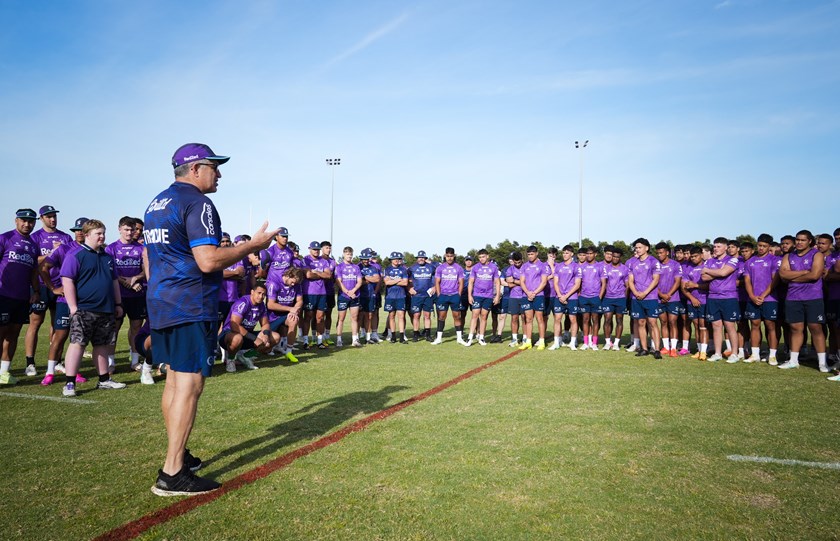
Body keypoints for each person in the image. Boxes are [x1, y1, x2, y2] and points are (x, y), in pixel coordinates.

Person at [144, 143, 277, 496]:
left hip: (162, 300)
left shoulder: (156, 203)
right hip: (189, 302)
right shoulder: (198, 202)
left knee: (174, 380)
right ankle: (173, 472)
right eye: (214, 167)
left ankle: (179, 455)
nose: (219, 173)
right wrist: (253, 247)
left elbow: (150, 258)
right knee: (189, 385)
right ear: (196, 168)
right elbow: (207, 260)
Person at [59, 219, 126, 396]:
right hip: (84, 309)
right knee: (77, 344)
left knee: (102, 345)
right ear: (87, 235)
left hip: (106, 309)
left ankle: (104, 380)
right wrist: (73, 307)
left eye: (103, 233)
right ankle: (70, 384)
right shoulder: (75, 255)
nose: (102, 236)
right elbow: (67, 281)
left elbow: (114, 282)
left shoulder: (107, 257)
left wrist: (118, 304)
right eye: (98, 233)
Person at [38, 217, 89, 385]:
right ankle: (50, 372)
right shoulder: (64, 248)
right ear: (74, 231)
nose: (80, 232)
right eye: (77, 229)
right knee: (60, 336)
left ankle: (74, 372)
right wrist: (53, 288)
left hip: (84, 301)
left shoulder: (93, 251)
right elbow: (43, 267)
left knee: (78, 339)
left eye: (83, 229)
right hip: (64, 300)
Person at [25, 205, 72, 376]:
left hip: (61, 287)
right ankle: (30, 362)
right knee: (35, 323)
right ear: (42, 218)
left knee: (57, 325)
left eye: (54, 216)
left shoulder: (65, 237)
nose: (53, 219)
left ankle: (55, 361)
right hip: (41, 285)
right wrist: (53, 252)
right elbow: (32, 260)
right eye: (49, 216)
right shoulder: (35, 237)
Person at [0, 209, 40, 385]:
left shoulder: (33, 245)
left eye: (31, 221)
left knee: (14, 334)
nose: (27, 224)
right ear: (16, 220)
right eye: (24, 220)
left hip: (22, 297)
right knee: (0, 333)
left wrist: (36, 291)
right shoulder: (5, 238)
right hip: (3, 295)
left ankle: (4, 372)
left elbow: (33, 272)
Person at [778, 230, 827, 371]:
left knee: (816, 328)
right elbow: (782, 275)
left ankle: (822, 363)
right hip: (793, 298)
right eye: (797, 240)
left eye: (803, 240)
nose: (799, 242)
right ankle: (793, 360)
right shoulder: (788, 256)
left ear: (810, 241)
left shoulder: (816, 254)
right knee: (795, 329)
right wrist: (804, 272)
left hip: (813, 297)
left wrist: (791, 277)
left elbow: (815, 275)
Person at [106, 216, 148, 374]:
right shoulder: (111, 248)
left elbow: (146, 269)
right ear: (119, 229)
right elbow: (110, 271)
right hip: (118, 296)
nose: (130, 232)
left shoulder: (141, 248)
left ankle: (135, 361)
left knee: (136, 327)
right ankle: (110, 362)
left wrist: (136, 278)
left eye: (132, 230)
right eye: (126, 229)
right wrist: (126, 282)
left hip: (137, 295)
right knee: (114, 329)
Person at [219, 283, 278, 372]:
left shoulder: (261, 305)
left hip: (246, 336)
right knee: (237, 338)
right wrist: (254, 338)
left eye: (264, 294)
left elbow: (265, 324)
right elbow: (234, 325)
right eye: (259, 293)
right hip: (229, 335)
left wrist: (265, 335)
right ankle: (230, 360)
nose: (261, 296)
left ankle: (246, 357)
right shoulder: (243, 303)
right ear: (252, 292)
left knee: (275, 337)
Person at [701, 237, 742, 363]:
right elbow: (704, 277)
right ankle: (718, 353)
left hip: (728, 297)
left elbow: (724, 273)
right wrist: (716, 272)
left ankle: (734, 353)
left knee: (730, 326)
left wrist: (710, 271)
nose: (716, 249)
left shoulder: (733, 260)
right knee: (716, 326)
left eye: (719, 246)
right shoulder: (709, 261)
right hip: (713, 297)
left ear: (725, 247)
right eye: (714, 246)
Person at [743, 234, 780, 364]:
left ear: (769, 246)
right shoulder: (749, 262)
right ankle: (755, 354)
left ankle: (772, 355)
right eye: (759, 245)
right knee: (754, 325)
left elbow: (775, 280)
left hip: (769, 299)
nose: (761, 248)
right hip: (753, 299)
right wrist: (752, 296)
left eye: (764, 246)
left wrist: (764, 295)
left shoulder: (774, 260)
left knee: (770, 326)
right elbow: (747, 281)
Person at [627, 238, 663, 359]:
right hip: (636, 297)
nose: (637, 249)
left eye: (640, 247)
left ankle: (657, 349)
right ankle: (644, 349)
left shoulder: (654, 261)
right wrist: (636, 292)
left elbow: (656, 279)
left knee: (653, 323)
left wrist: (645, 292)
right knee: (640, 322)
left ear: (647, 248)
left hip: (651, 297)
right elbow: (630, 280)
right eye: (636, 247)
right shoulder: (632, 262)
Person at [266, 267, 305, 363]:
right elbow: (270, 305)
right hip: (272, 317)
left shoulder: (297, 285)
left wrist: (295, 310)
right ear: (288, 275)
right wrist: (290, 309)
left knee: (294, 320)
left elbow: (300, 301)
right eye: (292, 282)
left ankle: (289, 352)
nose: (293, 285)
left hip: (286, 315)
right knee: (266, 346)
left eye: (295, 283)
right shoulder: (274, 283)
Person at [465, 249, 500, 346]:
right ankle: (470, 338)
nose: (481, 259)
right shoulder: (475, 267)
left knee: (484, 316)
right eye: (480, 257)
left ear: (487, 256)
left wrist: (497, 295)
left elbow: (497, 282)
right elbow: (471, 282)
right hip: (477, 295)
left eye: (483, 257)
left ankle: (481, 337)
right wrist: (469, 295)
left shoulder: (493, 268)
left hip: (488, 296)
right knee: (475, 315)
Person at [301, 241, 332, 350]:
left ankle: (319, 341)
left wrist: (316, 272)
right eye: (314, 249)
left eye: (318, 249)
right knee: (308, 317)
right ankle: (305, 341)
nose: (316, 251)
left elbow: (328, 275)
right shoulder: (305, 259)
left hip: (322, 293)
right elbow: (308, 275)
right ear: (310, 249)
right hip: (309, 292)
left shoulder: (324, 261)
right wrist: (320, 274)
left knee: (320, 318)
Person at [432, 247, 466, 345]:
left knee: (457, 316)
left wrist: (459, 294)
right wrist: (439, 294)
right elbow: (437, 282)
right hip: (443, 295)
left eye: (451, 256)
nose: (449, 258)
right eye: (447, 256)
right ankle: (439, 338)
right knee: (442, 316)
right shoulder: (440, 268)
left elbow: (461, 282)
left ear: (454, 256)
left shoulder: (458, 268)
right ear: (445, 256)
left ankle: (459, 338)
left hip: (455, 295)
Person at [518, 246, 550, 350]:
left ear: (537, 253)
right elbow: (522, 281)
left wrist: (534, 293)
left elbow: (544, 282)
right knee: (528, 319)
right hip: (526, 296)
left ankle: (541, 341)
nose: (530, 256)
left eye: (532, 254)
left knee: (539, 318)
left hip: (538, 295)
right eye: (528, 254)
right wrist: (527, 292)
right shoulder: (524, 266)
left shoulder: (543, 266)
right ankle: (528, 341)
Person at [655, 242, 683, 357]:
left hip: (673, 298)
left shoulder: (676, 265)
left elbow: (678, 282)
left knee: (672, 322)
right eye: (657, 253)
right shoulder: (656, 265)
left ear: (667, 252)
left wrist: (668, 294)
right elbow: (653, 282)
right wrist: (661, 294)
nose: (659, 255)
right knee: (663, 322)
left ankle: (673, 348)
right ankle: (666, 347)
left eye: (661, 252)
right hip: (659, 299)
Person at [681, 246, 710, 360]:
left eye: (695, 256)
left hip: (704, 300)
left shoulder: (707, 267)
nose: (693, 258)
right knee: (696, 325)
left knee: (703, 326)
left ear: (702, 255)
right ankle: (699, 350)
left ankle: (704, 351)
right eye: (691, 256)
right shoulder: (688, 268)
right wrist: (691, 298)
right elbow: (683, 287)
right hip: (691, 301)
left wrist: (696, 285)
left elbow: (711, 285)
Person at [553, 245, 582, 350]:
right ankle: (557, 342)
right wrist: (560, 295)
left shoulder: (576, 267)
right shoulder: (558, 266)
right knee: (557, 319)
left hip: (572, 297)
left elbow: (577, 285)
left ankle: (573, 343)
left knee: (573, 319)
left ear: (572, 254)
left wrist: (566, 296)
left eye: (567, 253)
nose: (565, 255)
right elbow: (555, 282)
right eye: (564, 253)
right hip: (559, 297)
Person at [577, 246, 605, 351]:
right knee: (585, 320)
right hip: (584, 297)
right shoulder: (581, 267)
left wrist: (600, 296)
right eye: (587, 254)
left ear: (595, 254)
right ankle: (586, 342)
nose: (588, 255)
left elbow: (604, 283)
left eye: (590, 253)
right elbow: (578, 282)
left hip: (595, 297)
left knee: (595, 320)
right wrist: (579, 293)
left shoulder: (600, 266)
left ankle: (594, 343)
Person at [602, 246, 629, 352]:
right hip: (608, 298)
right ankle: (608, 343)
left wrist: (624, 298)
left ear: (620, 257)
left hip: (620, 298)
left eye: (617, 257)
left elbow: (627, 285)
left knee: (619, 320)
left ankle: (616, 343)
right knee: (607, 319)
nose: (615, 258)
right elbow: (603, 283)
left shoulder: (625, 269)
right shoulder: (606, 268)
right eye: (613, 256)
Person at [334, 246, 363, 347]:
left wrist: (353, 291)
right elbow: (339, 282)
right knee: (341, 318)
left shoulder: (356, 267)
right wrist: (347, 292)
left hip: (354, 296)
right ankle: (338, 339)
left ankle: (355, 339)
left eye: (351, 254)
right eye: (347, 254)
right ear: (343, 254)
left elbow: (359, 281)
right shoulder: (339, 267)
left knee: (354, 318)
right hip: (343, 296)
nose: (349, 256)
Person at [408, 250, 435, 341]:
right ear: (417, 258)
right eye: (419, 257)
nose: (421, 259)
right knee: (416, 315)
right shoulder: (412, 268)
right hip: (416, 296)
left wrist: (434, 287)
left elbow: (437, 279)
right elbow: (406, 280)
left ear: (425, 258)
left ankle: (427, 335)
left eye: (423, 257)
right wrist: (409, 288)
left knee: (427, 316)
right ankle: (416, 334)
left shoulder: (431, 267)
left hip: (428, 296)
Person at [383, 252, 409, 343]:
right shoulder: (387, 269)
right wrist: (398, 280)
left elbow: (405, 283)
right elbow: (386, 282)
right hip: (390, 296)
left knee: (401, 316)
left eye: (398, 259)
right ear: (391, 260)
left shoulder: (403, 269)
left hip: (401, 296)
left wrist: (392, 280)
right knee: (391, 316)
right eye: (395, 259)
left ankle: (402, 336)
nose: (397, 260)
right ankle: (393, 336)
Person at [358, 249, 382, 343]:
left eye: (367, 259)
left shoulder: (374, 267)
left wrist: (366, 278)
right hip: (360, 295)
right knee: (360, 315)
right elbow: (357, 281)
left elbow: (377, 279)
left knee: (370, 315)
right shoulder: (357, 267)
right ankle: (358, 336)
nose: (366, 260)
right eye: (364, 259)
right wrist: (365, 280)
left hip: (370, 294)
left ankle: (369, 336)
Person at [505, 252, 526, 347]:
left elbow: (527, 282)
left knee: (524, 317)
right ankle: (514, 339)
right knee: (514, 318)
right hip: (513, 296)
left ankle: (525, 338)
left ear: (522, 260)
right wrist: (521, 282)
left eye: (519, 262)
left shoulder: (526, 267)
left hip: (524, 296)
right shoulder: (510, 269)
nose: (517, 264)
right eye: (515, 262)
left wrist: (514, 280)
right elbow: (509, 284)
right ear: (513, 261)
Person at [320, 241, 337, 345]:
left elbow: (334, 277)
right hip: (320, 292)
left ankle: (327, 335)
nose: (328, 250)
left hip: (330, 292)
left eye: (330, 248)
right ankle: (317, 336)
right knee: (319, 315)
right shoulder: (319, 260)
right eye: (326, 248)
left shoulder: (333, 261)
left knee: (329, 314)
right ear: (322, 248)